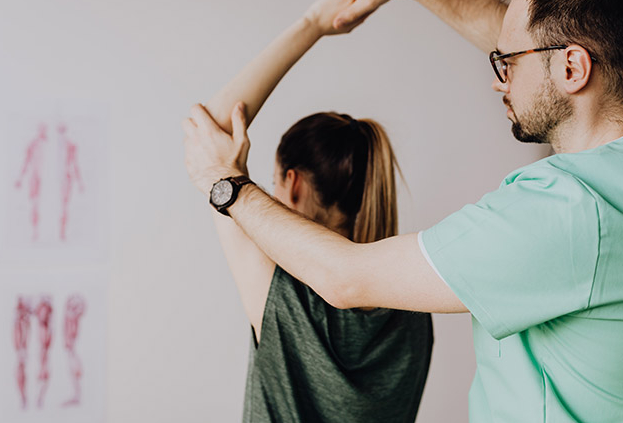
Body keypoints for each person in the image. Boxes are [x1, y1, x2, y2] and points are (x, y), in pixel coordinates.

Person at [182, 0, 623, 421]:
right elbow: (553, 46)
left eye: (507, 63)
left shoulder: (567, 208)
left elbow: (345, 278)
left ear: (572, 68)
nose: (498, 80)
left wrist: (229, 185)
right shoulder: (409, 317)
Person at [189, 1, 433, 421]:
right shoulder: (414, 305)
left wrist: (314, 24)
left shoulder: (281, 293)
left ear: (294, 183)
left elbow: (210, 126)